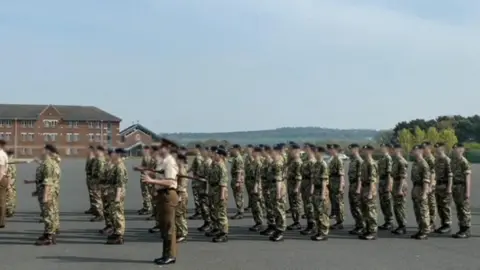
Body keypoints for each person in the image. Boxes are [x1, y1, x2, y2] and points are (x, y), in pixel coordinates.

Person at [142, 138, 179, 266]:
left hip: (168, 195)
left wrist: (152, 181)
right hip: (162, 195)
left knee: (168, 227)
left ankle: (169, 255)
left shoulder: (169, 162)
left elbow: (170, 182)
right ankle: (166, 254)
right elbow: (161, 177)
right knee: (164, 226)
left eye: (160, 148)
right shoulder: (162, 162)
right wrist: (152, 176)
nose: (157, 150)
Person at [35, 144, 61, 245]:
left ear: (47, 151)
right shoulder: (50, 163)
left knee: (48, 214)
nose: (40, 151)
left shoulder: (48, 164)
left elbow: (48, 181)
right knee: (50, 213)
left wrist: (45, 196)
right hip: (49, 191)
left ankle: (49, 237)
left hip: (48, 192)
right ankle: (49, 234)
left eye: (43, 150)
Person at [105, 148, 128, 244]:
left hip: (117, 193)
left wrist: (117, 196)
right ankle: (116, 231)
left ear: (118, 155)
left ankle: (119, 235)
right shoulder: (116, 165)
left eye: (113, 153)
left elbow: (120, 183)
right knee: (114, 213)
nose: (111, 154)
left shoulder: (120, 167)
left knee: (118, 214)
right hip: (113, 192)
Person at [451, 143, 472, 239]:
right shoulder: (454, 161)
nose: (454, 150)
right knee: (459, 209)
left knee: (464, 209)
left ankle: (466, 230)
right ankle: (461, 228)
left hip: (462, 187)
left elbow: (468, 177)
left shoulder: (464, 162)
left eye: (456, 149)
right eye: (454, 149)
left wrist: (467, 192)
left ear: (461, 150)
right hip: (456, 187)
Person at [410, 144, 431, 240]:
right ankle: (420, 229)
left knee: (423, 211)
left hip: (422, 188)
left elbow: (426, 179)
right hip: (415, 187)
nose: (414, 152)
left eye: (415, 150)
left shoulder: (424, 164)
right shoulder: (415, 163)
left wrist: (425, 193)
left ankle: (425, 231)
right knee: (417, 210)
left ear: (420, 151)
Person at [310, 146, 330, 241]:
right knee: (317, 212)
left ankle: (323, 232)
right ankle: (318, 230)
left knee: (322, 212)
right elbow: (314, 179)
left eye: (316, 151)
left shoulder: (323, 165)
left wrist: (323, 194)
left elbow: (324, 181)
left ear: (321, 153)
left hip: (322, 190)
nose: (314, 153)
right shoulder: (316, 164)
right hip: (316, 190)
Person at [359, 145, 378, 240]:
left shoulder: (371, 163)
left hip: (370, 188)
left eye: (365, 150)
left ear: (370, 151)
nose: (363, 151)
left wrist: (370, 193)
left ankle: (372, 231)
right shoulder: (364, 163)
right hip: (364, 187)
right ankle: (367, 229)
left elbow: (373, 180)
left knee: (371, 211)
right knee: (365, 210)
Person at [433, 142, 453, 234]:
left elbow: (450, 175)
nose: (436, 150)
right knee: (440, 206)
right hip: (438, 186)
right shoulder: (437, 160)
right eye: (436, 148)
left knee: (445, 206)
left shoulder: (447, 160)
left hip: (445, 186)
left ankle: (447, 224)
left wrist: (449, 188)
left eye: (438, 148)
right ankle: (443, 224)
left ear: (442, 149)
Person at [391, 143, 409, 235]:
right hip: (396, 183)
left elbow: (403, 176)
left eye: (394, 149)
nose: (392, 151)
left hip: (400, 184)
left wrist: (400, 189)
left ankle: (403, 226)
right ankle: (400, 225)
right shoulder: (396, 160)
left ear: (398, 150)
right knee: (396, 207)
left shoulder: (402, 161)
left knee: (400, 206)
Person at [346, 143, 364, 235]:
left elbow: (360, 176)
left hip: (357, 185)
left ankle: (362, 226)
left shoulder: (359, 161)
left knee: (357, 206)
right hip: (352, 185)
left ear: (356, 149)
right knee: (353, 206)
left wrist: (358, 188)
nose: (350, 151)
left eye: (351, 149)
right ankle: (358, 225)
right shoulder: (353, 160)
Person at [300, 144, 316, 235]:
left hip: (309, 185)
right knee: (306, 206)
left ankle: (312, 225)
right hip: (305, 184)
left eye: (306, 148)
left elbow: (313, 177)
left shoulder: (312, 162)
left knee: (310, 206)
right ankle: (309, 224)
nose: (304, 149)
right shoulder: (306, 160)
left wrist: (312, 188)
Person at [328, 144, 345, 230]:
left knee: (339, 204)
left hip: (337, 184)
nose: (329, 151)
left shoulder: (338, 160)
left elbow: (341, 174)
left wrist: (341, 186)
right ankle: (337, 221)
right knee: (334, 203)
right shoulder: (333, 159)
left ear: (335, 150)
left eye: (331, 149)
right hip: (332, 183)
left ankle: (340, 222)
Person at [286, 143, 302, 230]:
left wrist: (296, 188)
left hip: (295, 186)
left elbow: (299, 177)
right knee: (292, 204)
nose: (289, 151)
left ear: (295, 150)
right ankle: (295, 221)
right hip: (290, 185)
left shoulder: (298, 162)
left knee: (296, 204)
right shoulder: (292, 161)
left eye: (290, 150)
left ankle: (297, 222)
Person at [377, 143, 394, 230]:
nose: (381, 149)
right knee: (382, 203)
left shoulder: (388, 158)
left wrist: (389, 185)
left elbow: (389, 173)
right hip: (381, 182)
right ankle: (386, 221)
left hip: (386, 181)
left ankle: (389, 221)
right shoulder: (382, 158)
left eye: (383, 147)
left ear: (387, 148)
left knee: (387, 202)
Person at [249, 146, 264, 232]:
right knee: (254, 206)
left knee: (257, 206)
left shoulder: (259, 163)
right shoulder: (253, 162)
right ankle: (257, 222)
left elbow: (258, 177)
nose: (252, 153)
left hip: (256, 187)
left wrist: (256, 187)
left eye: (253, 151)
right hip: (251, 185)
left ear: (257, 153)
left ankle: (260, 223)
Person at [90, 146, 107, 222]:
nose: (95, 152)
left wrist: (98, 182)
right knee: (97, 198)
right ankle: (100, 213)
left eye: (96, 151)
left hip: (98, 182)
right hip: (96, 181)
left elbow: (101, 172)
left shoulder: (100, 160)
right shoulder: (98, 159)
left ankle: (100, 215)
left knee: (97, 198)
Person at [188, 144, 204, 220]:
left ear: (197, 149)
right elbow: (192, 167)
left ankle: (199, 212)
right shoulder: (197, 157)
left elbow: (200, 169)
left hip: (197, 180)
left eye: (194, 148)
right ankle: (199, 211)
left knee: (197, 196)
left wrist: (197, 176)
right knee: (197, 196)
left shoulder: (198, 158)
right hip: (196, 179)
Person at [176, 154, 189, 243]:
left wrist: (179, 196)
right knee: (179, 214)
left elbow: (182, 185)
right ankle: (180, 231)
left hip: (181, 194)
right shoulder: (180, 169)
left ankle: (183, 233)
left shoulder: (182, 171)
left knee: (179, 214)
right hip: (180, 193)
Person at [229, 144, 245, 220]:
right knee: (237, 196)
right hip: (235, 178)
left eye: (232, 149)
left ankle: (240, 212)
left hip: (237, 179)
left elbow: (239, 171)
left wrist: (238, 181)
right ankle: (239, 211)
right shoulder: (235, 158)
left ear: (236, 149)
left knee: (238, 196)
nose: (231, 150)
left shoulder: (238, 159)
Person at [138, 146, 154, 215]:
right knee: (147, 192)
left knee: (146, 193)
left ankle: (147, 208)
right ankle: (146, 206)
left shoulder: (146, 157)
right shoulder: (151, 157)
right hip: (150, 177)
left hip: (146, 177)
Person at [84, 145, 96, 214]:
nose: (86, 151)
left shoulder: (93, 159)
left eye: (87, 149)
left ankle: (96, 208)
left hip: (92, 179)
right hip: (89, 178)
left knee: (94, 194)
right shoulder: (88, 158)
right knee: (91, 194)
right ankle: (92, 207)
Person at [5, 150, 17, 217]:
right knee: (12, 196)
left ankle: (9, 210)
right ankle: (11, 209)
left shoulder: (8, 163)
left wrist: (8, 184)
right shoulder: (13, 163)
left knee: (8, 196)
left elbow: (9, 174)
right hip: (12, 182)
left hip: (9, 182)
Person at [0, 139, 9, 228]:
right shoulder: (2, 154)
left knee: (1, 201)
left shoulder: (0, 154)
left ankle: (1, 222)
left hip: (1, 179)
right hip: (3, 178)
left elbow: (1, 169)